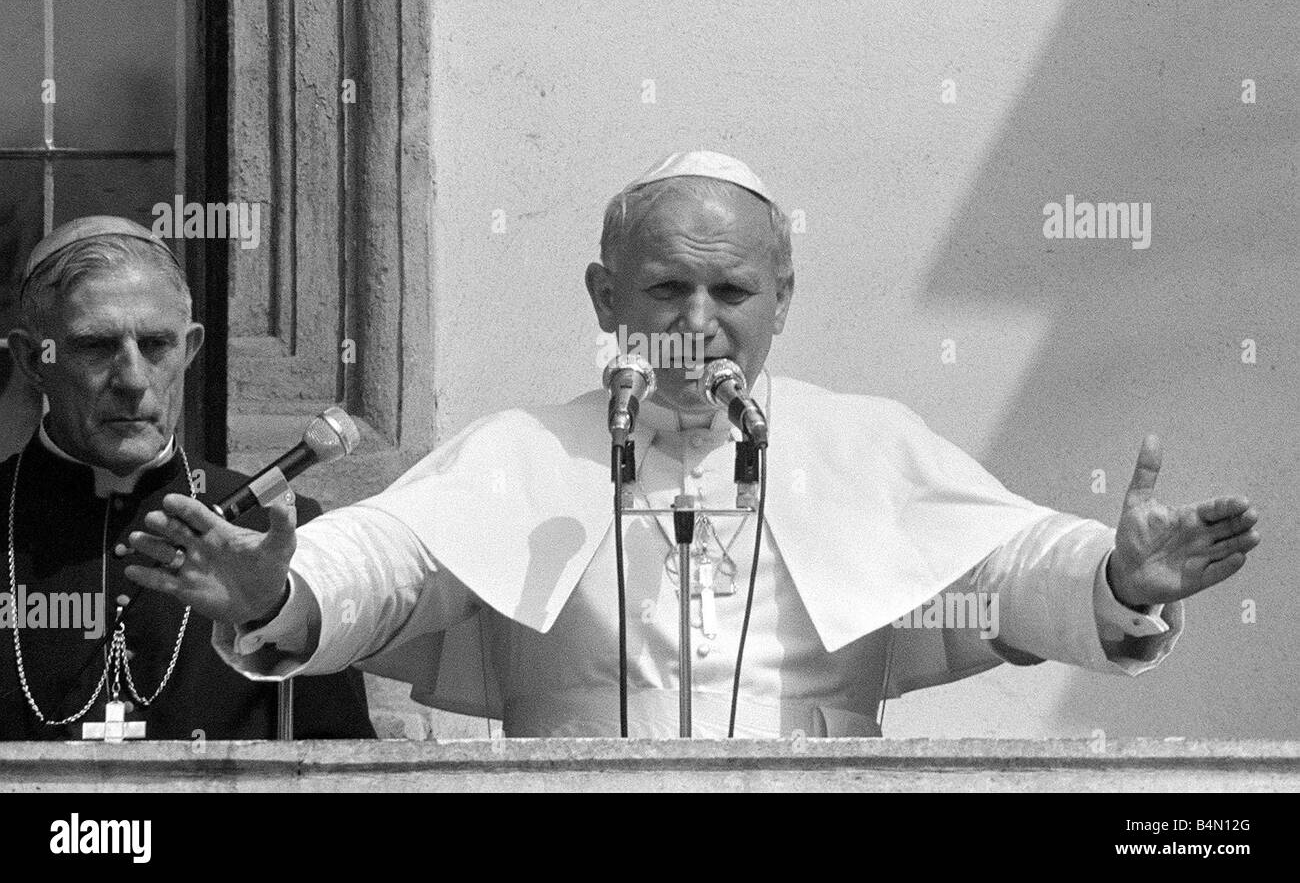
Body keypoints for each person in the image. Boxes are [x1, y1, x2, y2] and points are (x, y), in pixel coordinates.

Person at [126, 153, 1261, 738]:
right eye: (665, 286)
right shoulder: (527, 452)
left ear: (783, 300)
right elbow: (384, 561)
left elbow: (1008, 568)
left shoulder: (869, 446)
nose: (697, 318)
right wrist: (281, 592)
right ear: (603, 294)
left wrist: (1114, 581)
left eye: (732, 287)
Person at [0, 216, 374, 741]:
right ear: (32, 359)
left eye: (156, 345)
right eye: (96, 346)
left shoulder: (277, 533)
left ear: (191, 349)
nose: (132, 379)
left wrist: (274, 609)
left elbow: (343, 768)